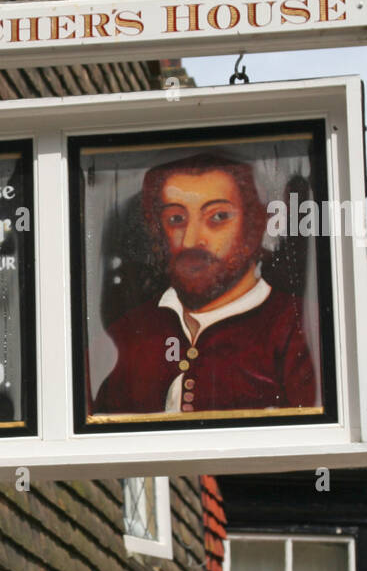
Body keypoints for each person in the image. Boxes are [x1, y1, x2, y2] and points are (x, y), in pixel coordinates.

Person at [92, 152, 317, 416]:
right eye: (176, 219)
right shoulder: (126, 337)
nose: (191, 241)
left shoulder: (300, 329)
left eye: (218, 217)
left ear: (255, 224)